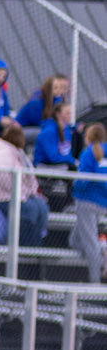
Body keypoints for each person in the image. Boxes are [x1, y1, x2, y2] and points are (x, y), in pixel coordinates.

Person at [0, 122, 49, 246]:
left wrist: (31, 193)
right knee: (29, 209)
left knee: (41, 206)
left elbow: (31, 178)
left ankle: (35, 247)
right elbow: (4, 179)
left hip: (17, 195)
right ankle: (19, 246)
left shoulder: (20, 154)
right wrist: (23, 193)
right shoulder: (1, 153)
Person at [70, 121, 107, 283]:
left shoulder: (88, 153)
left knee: (91, 245)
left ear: (88, 137)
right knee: (74, 241)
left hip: (86, 202)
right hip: (101, 202)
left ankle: (95, 283)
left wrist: (74, 188)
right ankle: (103, 250)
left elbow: (82, 180)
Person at [33, 96, 76, 172]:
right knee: (71, 167)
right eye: (67, 113)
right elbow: (53, 157)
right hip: (44, 165)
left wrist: (72, 160)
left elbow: (66, 152)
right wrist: (71, 160)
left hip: (60, 164)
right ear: (58, 114)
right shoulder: (49, 132)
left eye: (70, 113)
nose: (70, 115)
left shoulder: (66, 130)